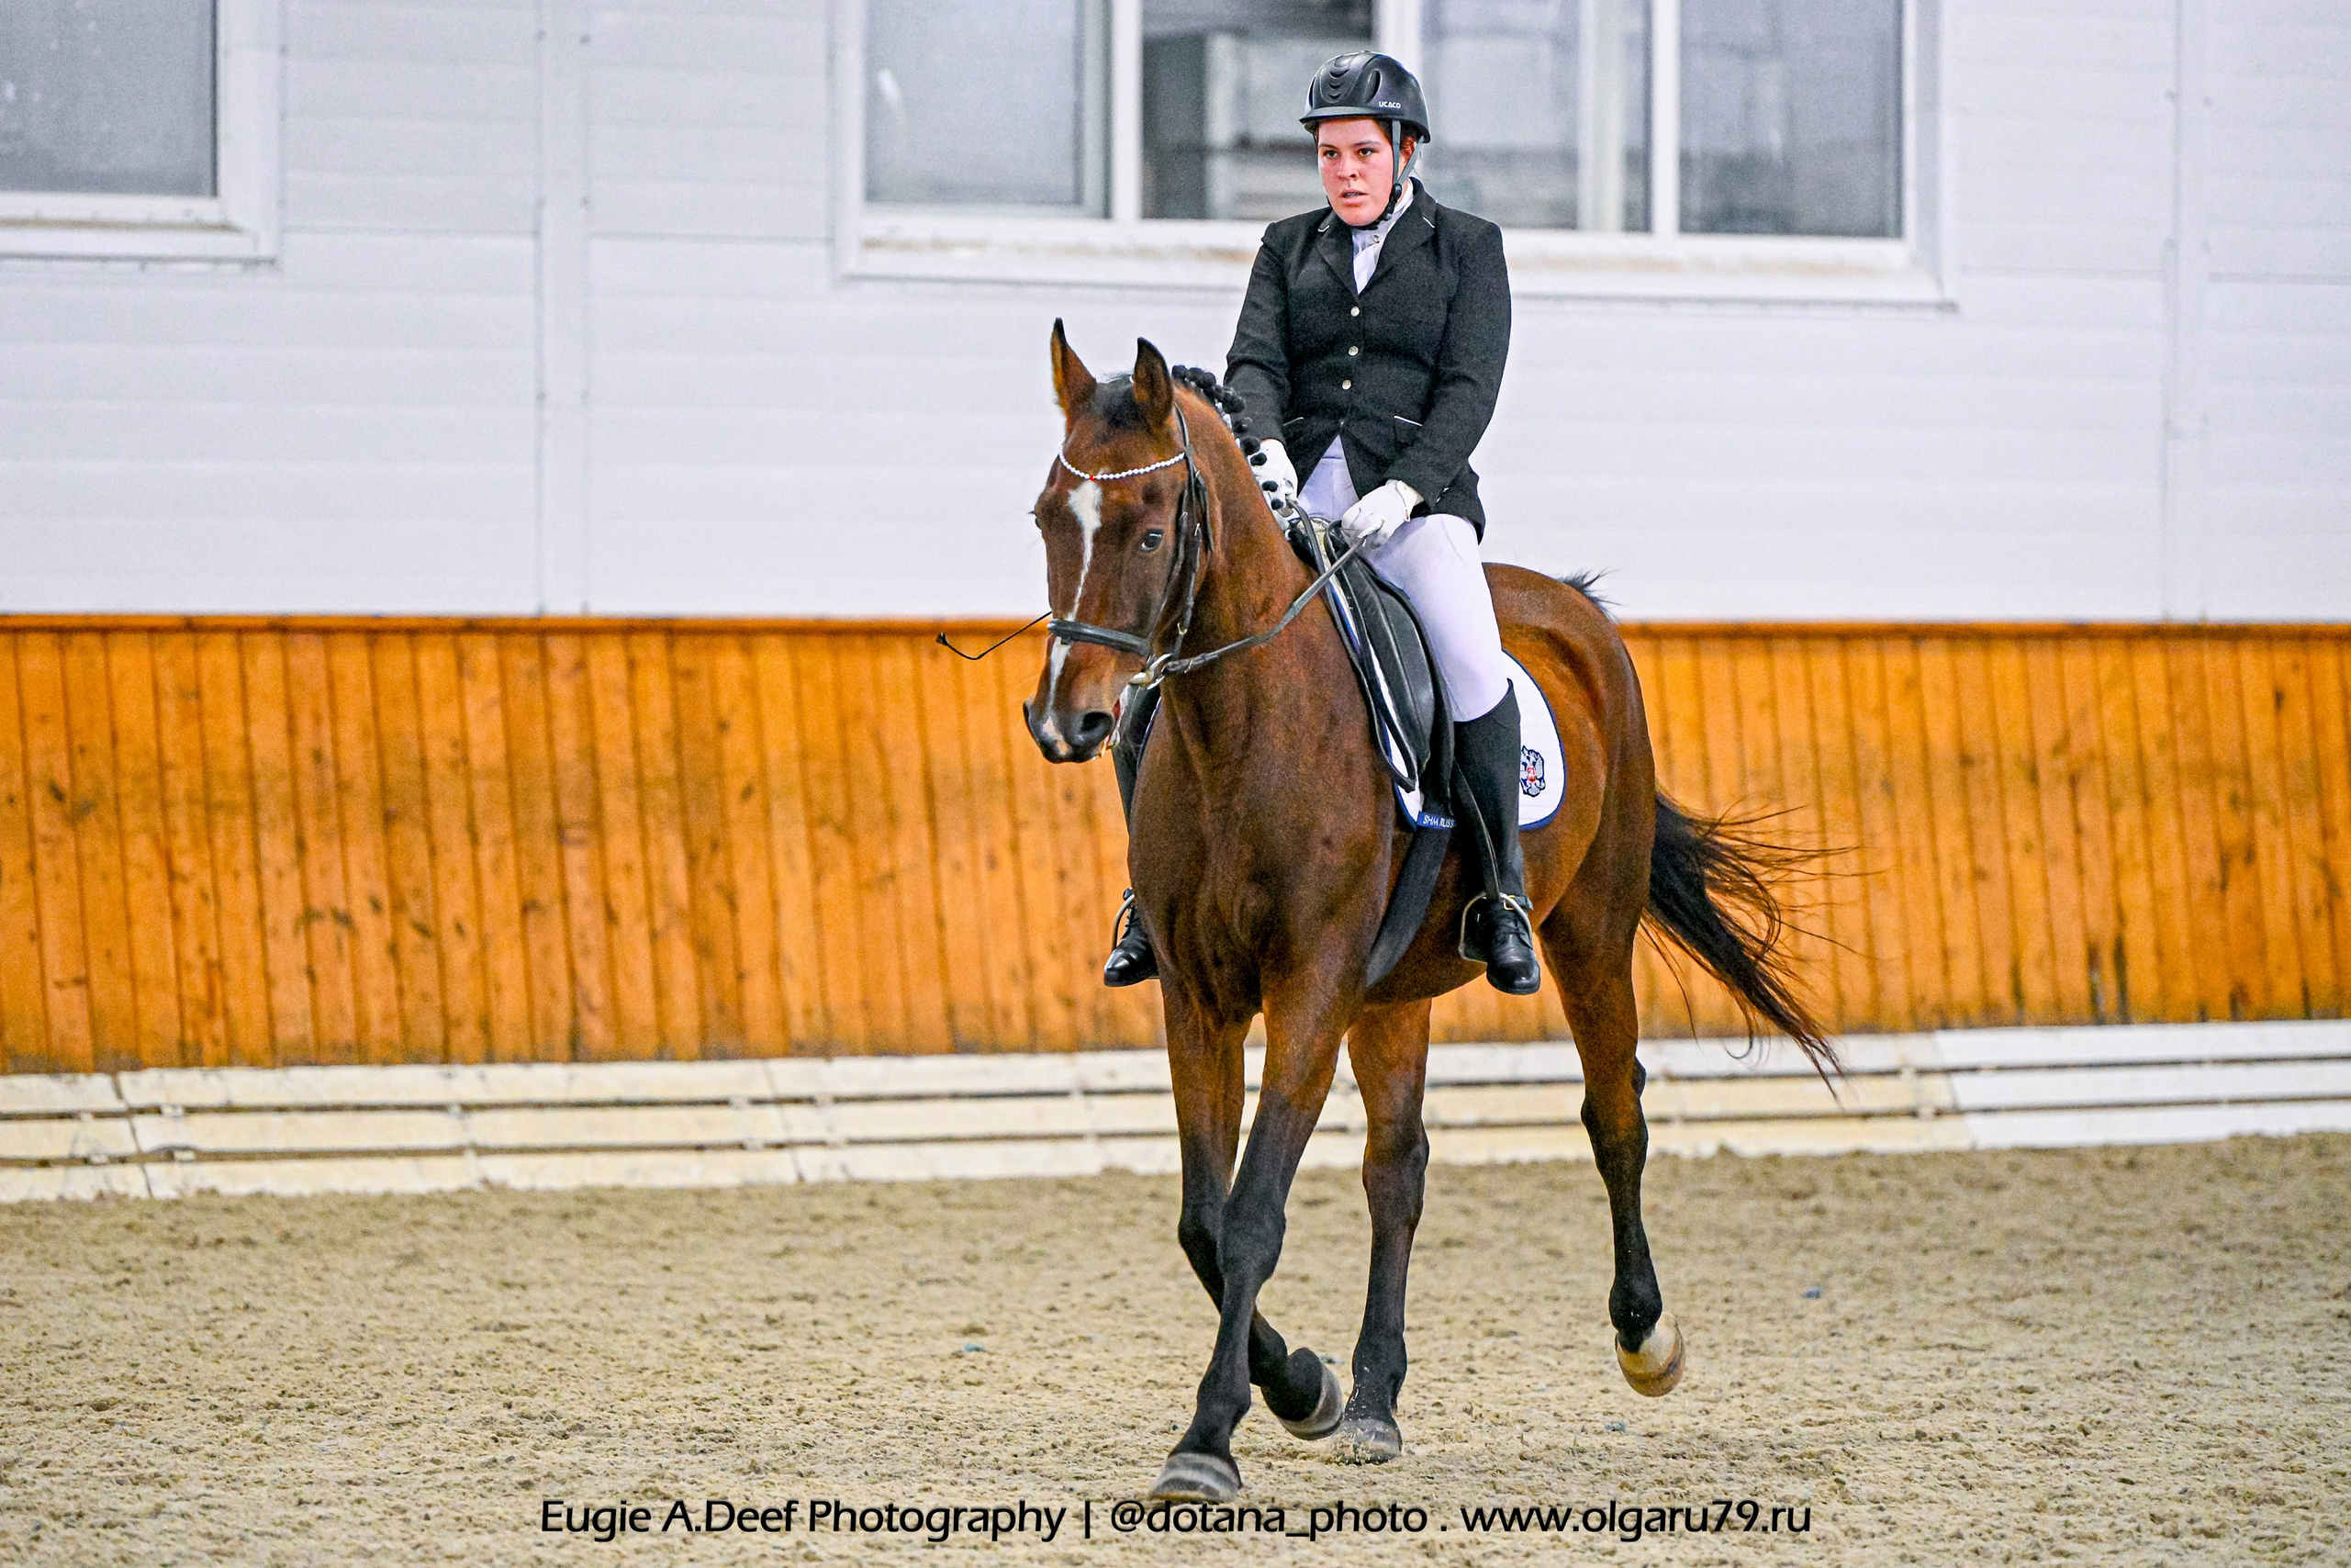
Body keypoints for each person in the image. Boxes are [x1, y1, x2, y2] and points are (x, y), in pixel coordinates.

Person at [1103, 49, 1540, 997]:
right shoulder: (1283, 246)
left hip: (1408, 505)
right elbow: (1252, 361)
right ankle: (1150, 895)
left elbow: (1470, 389)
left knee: (1469, 656)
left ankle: (1500, 890)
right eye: (1328, 154)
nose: (1342, 171)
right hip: (1290, 502)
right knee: (1163, 664)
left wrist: (1410, 487)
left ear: (1403, 150)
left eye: (1360, 153)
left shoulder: (1468, 247)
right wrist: (1263, 449)